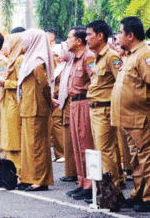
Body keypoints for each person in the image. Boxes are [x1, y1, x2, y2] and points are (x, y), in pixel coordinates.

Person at [111, 16, 150, 212]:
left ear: (131, 35)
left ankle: (148, 198)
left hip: (141, 118)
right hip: (130, 119)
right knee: (136, 161)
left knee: (146, 159)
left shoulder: (144, 55)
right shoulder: (132, 55)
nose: (118, 37)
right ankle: (139, 194)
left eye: (120, 33)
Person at [86, 20, 124, 194]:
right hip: (96, 109)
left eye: (89, 34)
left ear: (100, 36)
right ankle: (110, 187)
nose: (87, 38)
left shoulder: (111, 57)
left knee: (105, 151)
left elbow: (121, 83)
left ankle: (112, 191)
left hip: (104, 109)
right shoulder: (98, 56)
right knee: (105, 151)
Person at [17, 29, 54, 191]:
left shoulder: (37, 62)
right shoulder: (29, 59)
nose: (22, 45)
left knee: (37, 146)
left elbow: (45, 86)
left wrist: (49, 101)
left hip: (37, 108)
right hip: (28, 107)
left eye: (25, 41)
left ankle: (40, 179)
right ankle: (28, 177)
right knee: (28, 146)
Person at [65, 26, 94, 201]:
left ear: (78, 41)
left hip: (84, 101)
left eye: (69, 38)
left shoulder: (88, 56)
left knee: (85, 143)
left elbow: (95, 80)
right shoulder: (75, 58)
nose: (67, 41)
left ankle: (90, 184)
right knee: (77, 144)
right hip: (74, 103)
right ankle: (82, 181)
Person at [0, 32, 23, 180]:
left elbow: (21, 83)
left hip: (14, 103)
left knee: (14, 140)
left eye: (8, 42)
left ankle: (19, 171)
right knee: (8, 140)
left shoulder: (19, 60)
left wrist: (4, 82)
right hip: (7, 102)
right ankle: (12, 172)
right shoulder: (11, 60)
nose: (5, 46)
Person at [54, 43, 77, 182]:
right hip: (64, 102)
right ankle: (71, 172)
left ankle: (78, 175)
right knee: (68, 138)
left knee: (74, 139)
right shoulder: (66, 65)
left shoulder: (78, 62)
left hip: (73, 102)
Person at [50, 44, 65, 163]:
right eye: (54, 55)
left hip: (60, 98)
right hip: (55, 98)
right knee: (55, 125)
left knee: (58, 123)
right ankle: (58, 152)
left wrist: (53, 94)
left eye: (57, 55)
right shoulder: (58, 67)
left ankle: (62, 152)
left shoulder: (65, 66)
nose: (56, 58)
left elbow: (61, 85)